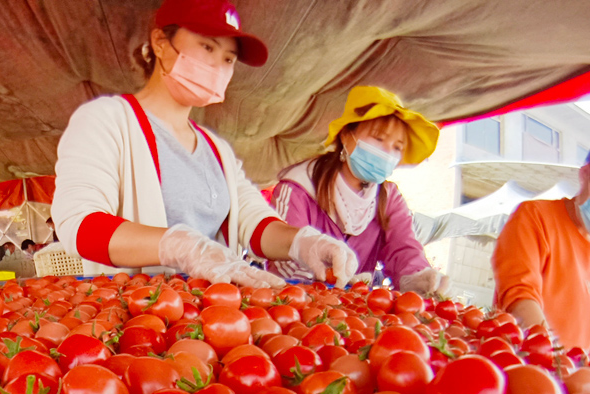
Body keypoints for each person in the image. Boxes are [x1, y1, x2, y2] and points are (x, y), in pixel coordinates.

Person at [51, 0, 358, 288]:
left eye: (228, 59)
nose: (217, 66)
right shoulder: (107, 120)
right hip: (139, 321)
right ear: (160, 42)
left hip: (215, 322)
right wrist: (178, 245)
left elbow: (253, 222)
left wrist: (302, 242)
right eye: (207, 46)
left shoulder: (217, 149)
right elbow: (80, 225)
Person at [492, 138, 590, 370]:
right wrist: (555, 364)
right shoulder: (535, 217)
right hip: (518, 370)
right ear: (585, 175)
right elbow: (519, 296)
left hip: (571, 392)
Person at [270, 86, 448, 293]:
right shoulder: (298, 187)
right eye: (378, 138)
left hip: (356, 313)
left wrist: (417, 276)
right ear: (346, 136)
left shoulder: (389, 198)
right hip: (296, 304)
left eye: (397, 147)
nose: (386, 152)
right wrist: (330, 279)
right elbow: (282, 256)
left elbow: (404, 248)